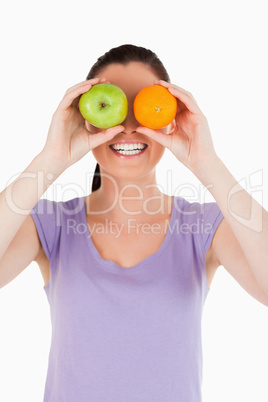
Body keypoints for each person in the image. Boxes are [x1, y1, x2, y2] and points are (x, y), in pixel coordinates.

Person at [0, 44, 267, 402]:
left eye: (144, 108)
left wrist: (207, 164)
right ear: (87, 117)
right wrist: (49, 160)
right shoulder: (52, 225)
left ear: (170, 116)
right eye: (115, 109)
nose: (127, 127)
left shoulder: (203, 226)